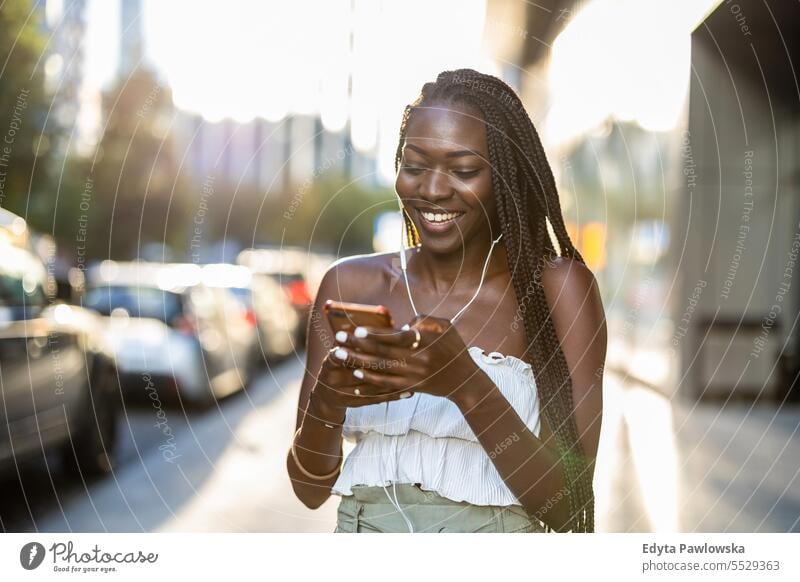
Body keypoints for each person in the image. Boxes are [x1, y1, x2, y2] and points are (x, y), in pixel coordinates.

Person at [286, 68, 606, 533]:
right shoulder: (348, 284)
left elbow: (568, 504)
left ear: (506, 177)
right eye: (414, 165)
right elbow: (309, 490)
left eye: (463, 170)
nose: (433, 189)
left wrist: (466, 384)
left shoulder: (558, 290)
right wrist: (327, 403)